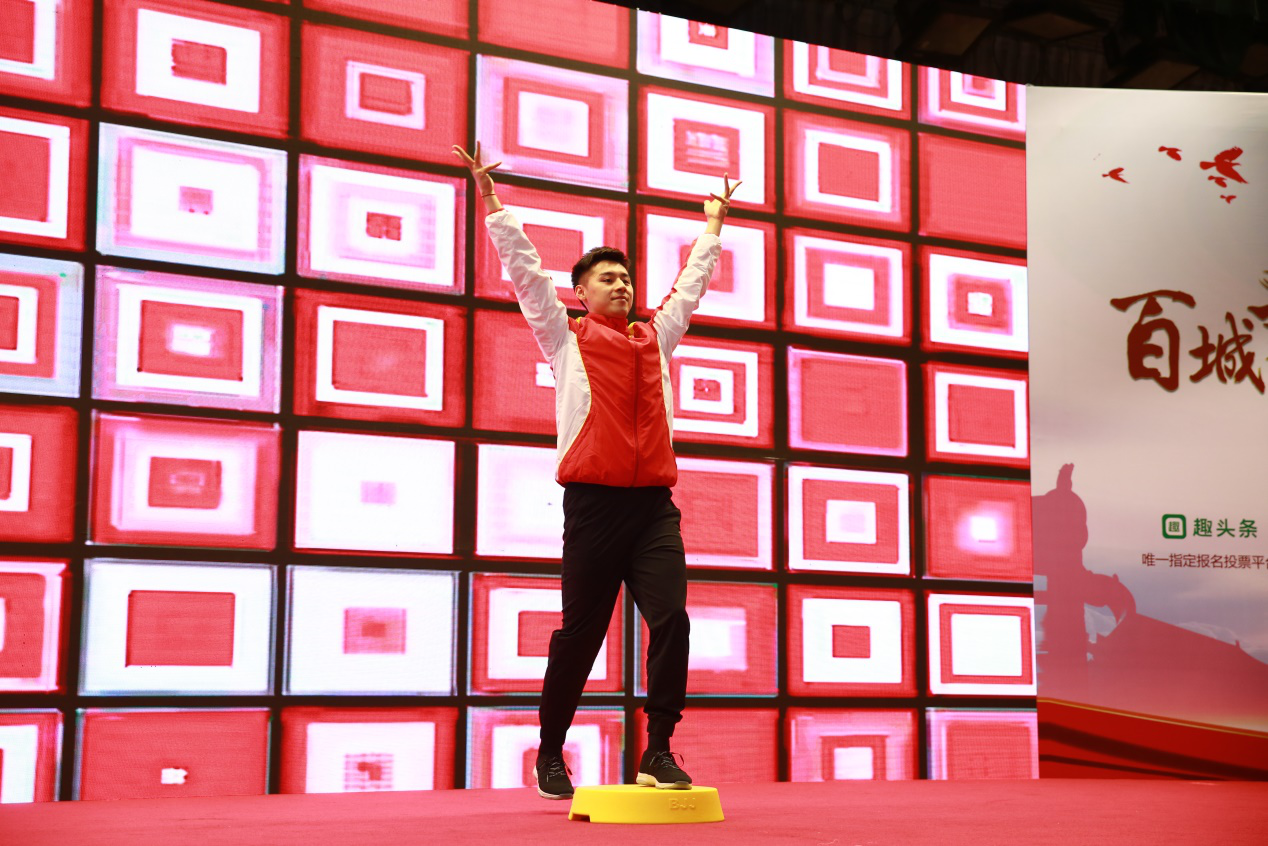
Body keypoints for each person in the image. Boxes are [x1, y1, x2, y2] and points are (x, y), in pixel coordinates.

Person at [453, 142, 741, 800]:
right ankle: (550, 750)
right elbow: (525, 273)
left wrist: (714, 224)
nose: (622, 286)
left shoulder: (655, 337)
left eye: (626, 278)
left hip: (653, 510)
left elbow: (689, 287)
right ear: (580, 293)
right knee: (579, 636)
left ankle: (658, 749)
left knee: (672, 620)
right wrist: (492, 201)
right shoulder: (565, 337)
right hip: (593, 508)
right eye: (607, 279)